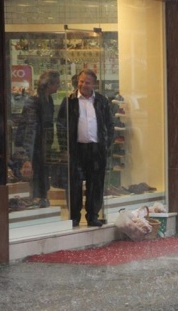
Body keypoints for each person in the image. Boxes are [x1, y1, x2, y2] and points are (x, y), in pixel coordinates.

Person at [57, 69, 114, 227]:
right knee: (74, 183)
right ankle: (74, 216)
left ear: (94, 83)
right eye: (81, 81)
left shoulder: (102, 101)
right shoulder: (69, 101)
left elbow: (109, 124)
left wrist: (107, 144)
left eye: (87, 82)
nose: (83, 85)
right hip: (76, 149)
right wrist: (64, 148)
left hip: (96, 149)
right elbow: (61, 126)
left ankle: (93, 215)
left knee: (95, 183)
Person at [14, 70, 61, 207]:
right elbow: (30, 128)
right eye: (56, 83)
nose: (58, 86)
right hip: (35, 145)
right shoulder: (34, 100)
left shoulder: (48, 99)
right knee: (36, 174)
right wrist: (27, 156)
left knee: (42, 173)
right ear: (49, 84)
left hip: (43, 145)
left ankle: (41, 197)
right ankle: (35, 199)